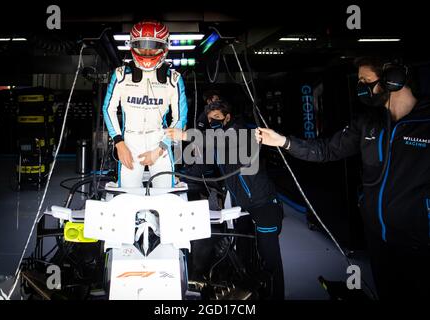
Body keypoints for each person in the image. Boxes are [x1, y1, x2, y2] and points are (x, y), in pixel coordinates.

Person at [255, 56, 430, 300]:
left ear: (394, 80)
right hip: (377, 238)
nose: (361, 87)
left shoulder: (425, 123)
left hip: (419, 241)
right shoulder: (369, 122)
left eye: (365, 81)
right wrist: (282, 141)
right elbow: (327, 150)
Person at [166, 100, 285, 299]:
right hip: (244, 207)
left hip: (264, 204)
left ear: (228, 117)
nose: (213, 122)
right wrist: (178, 176)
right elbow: (204, 168)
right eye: (210, 119)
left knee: (269, 260)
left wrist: (186, 135)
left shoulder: (239, 131)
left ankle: (276, 296)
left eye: (217, 118)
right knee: (245, 256)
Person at [102, 20, 188, 188]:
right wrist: (119, 143)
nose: (147, 52)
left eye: (153, 46)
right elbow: (108, 109)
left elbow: (180, 119)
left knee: (165, 195)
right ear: (132, 46)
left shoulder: (174, 79)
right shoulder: (120, 76)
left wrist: (161, 148)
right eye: (142, 46)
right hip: (129, 142)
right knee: (128, 194)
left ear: (164, 48)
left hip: (160, 140)